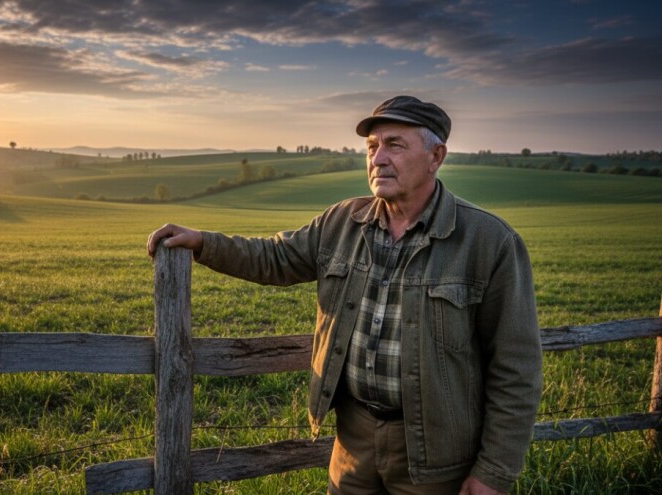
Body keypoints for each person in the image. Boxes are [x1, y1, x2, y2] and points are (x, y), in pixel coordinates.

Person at [147, 95, 543, 495]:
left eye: (395, 145)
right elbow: (275, 256)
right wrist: (202, 243)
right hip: (353, 442)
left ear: (436, 156)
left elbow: (516, 367)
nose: (378, 159)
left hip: (437, 455)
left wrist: (494, 472)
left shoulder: (489, 242)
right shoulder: (342, 222)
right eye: (372, 147)